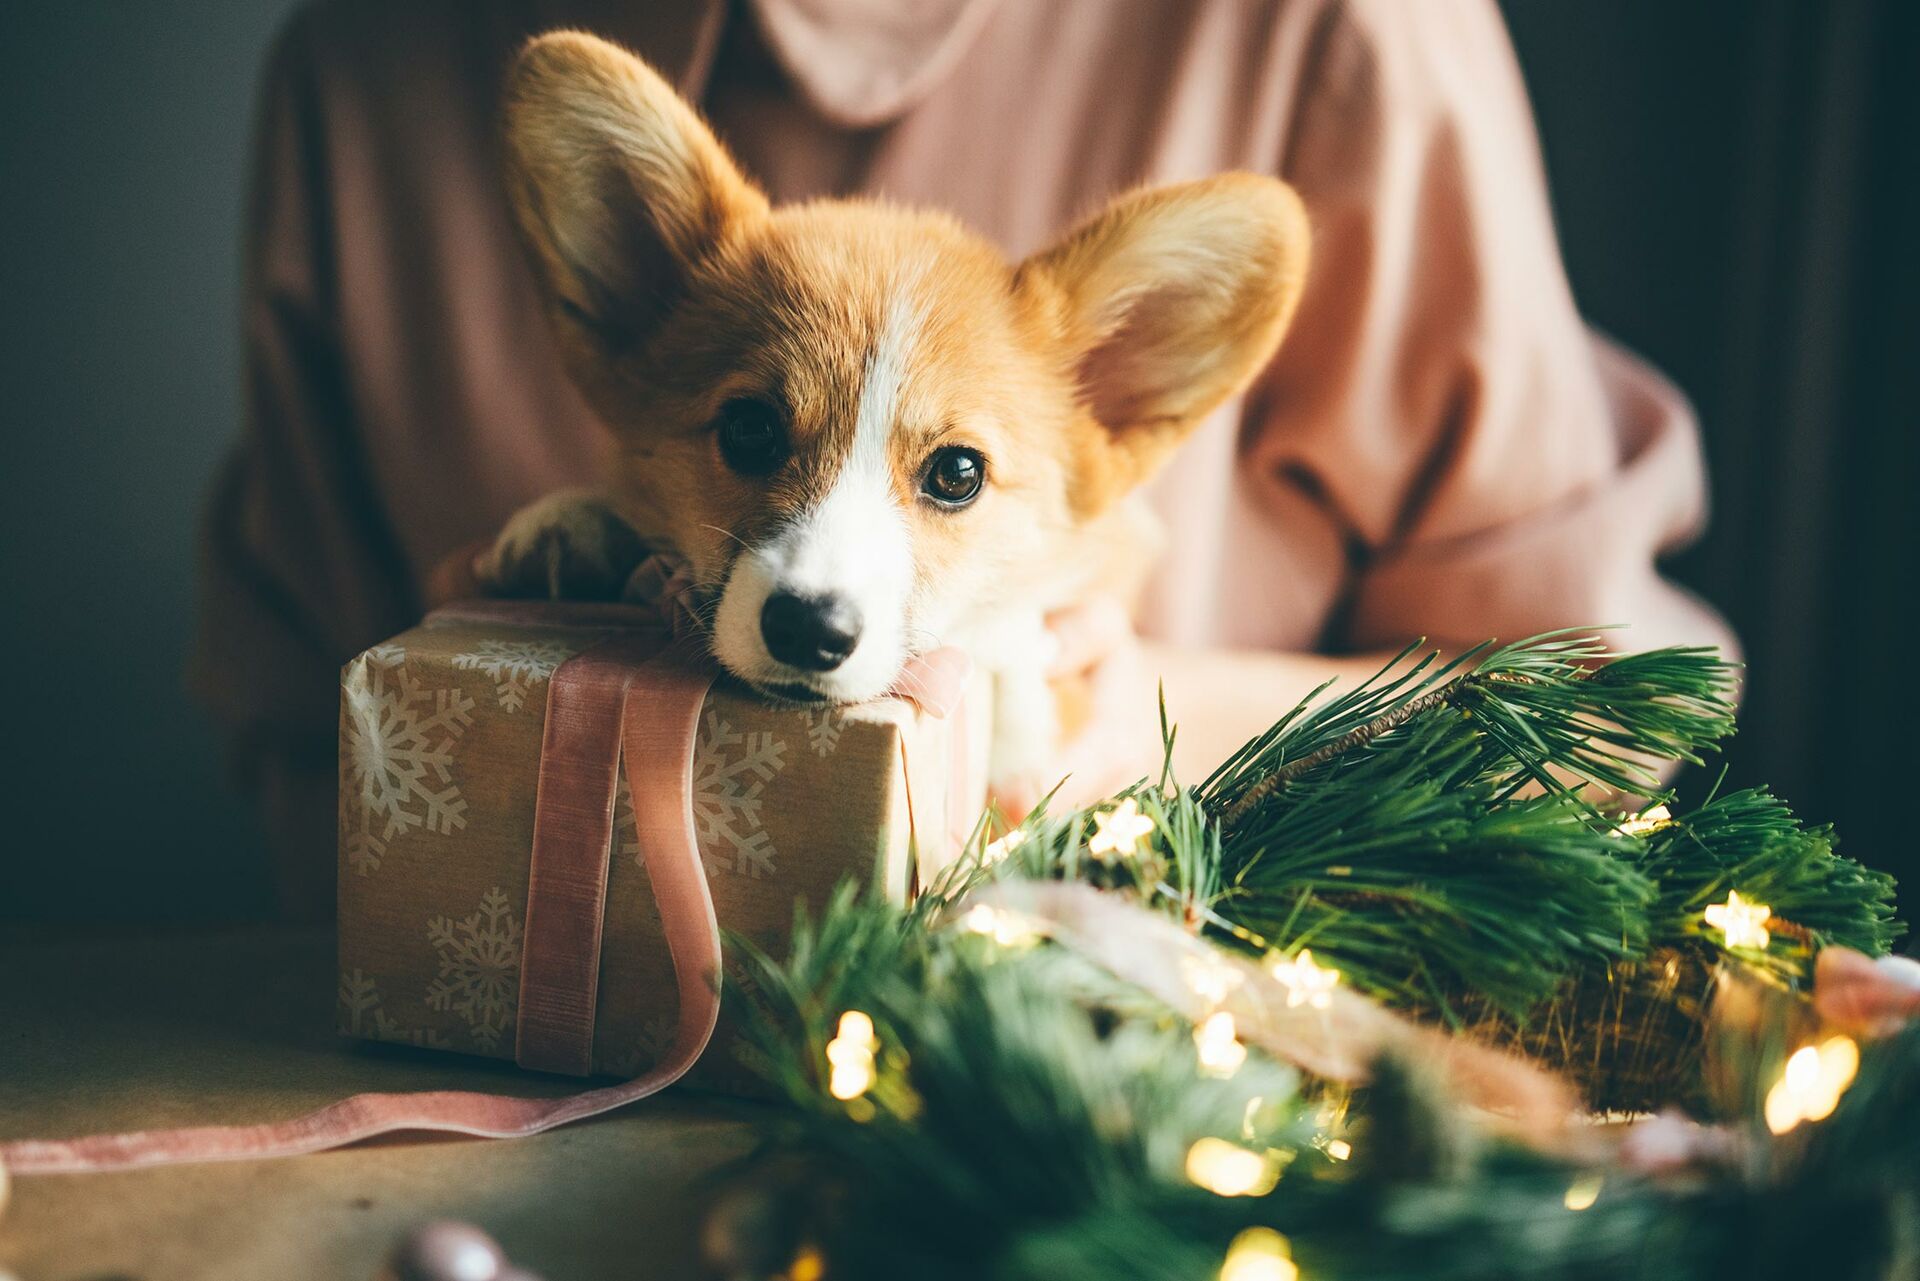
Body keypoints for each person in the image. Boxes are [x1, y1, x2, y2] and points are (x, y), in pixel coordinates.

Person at [194, 0, 1734, 917]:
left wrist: (1118, 721)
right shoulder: (368, 61)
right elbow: (303, 759)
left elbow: (1603, 723)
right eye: (751, 433)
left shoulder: (1337, 35)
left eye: (948, 477)